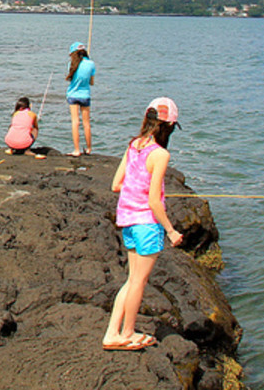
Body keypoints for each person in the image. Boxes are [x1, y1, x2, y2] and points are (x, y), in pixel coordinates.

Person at [102, 97, 183, 351]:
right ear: (168, 126)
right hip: (147, 224)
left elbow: (116, 185)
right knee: (138, 282)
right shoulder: (160, 154)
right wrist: (171, 231)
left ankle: (112, 333)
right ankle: (127, 333)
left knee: (131, 280)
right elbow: (154, 202)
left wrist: (136, 186)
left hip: (127, 221)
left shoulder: (133, 145)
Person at [65, 41, 95, 156]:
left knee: (75, 122)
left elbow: (71, 78)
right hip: (85, 95)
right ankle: (89, 148)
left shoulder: (71, 64)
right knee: (86, 123)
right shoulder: (91, 64)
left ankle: (76, 150)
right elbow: (91, 82)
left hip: (72, 95)